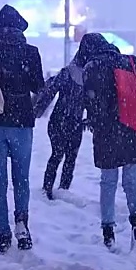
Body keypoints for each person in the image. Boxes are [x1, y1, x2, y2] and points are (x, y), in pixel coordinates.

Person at [0, 4, 44, 253]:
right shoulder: (30, 52)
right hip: (22, 122)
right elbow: (38, 86)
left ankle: (3, 234)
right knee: (21, 179)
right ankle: (22, 226)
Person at [79, 33, 136, 250]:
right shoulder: (131, 62)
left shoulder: (92, 67)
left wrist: (92, 121)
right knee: (132, 180)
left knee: (108, 181)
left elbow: (92, 102)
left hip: (108, 133)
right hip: (135, 130)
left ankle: (108, 229)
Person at [33, 54, 86, 200]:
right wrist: (92, 119)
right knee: (70, 157)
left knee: (57, 154)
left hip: (59, 120)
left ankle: (47, 189)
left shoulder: (67, 72)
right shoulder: (90, 77)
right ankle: (63, 189)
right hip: (75, 122)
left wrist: (38, 110)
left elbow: (50, 92)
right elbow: (94, 102)